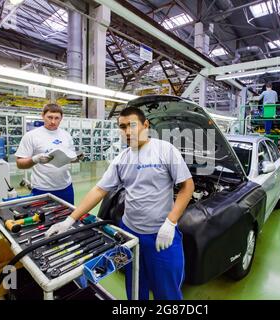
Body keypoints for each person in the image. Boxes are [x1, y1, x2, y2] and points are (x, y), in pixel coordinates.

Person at [45, 106, 195, 300]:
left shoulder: (165, 150)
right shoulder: (121, 159)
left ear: (145, 125)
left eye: (132, 125)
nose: (127, 132)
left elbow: (187, 187)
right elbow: (99, 190)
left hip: (161, 235)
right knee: (135, 288)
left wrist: (171, 221)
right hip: (130, 235)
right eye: (122, 127)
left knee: (167, 293)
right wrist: (69, 220)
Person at [15, 103, 76, 204]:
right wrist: (35, 159)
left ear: (61, 118)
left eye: (57, 118)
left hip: (66, 188)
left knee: (69, 217)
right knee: (43, 219)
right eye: (50, 117)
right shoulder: (31, 136)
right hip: (41, 189)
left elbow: (71, 157)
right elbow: (19, 163)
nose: (53, 121)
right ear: (43, 116)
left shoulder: (66, 135)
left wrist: (76, 158)